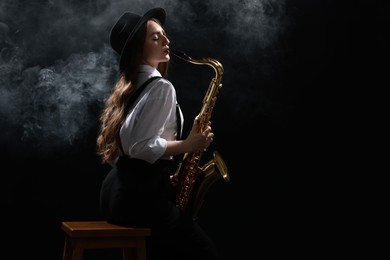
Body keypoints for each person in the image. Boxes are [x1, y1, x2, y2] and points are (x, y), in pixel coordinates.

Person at [96, 7, 218, 260]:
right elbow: (140, 147)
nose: (167, 41)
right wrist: (189, 144)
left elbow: (121, 151)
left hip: (115, 195)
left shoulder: (130, 86)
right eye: (156, 37)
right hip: (139, 200)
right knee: (204, 252)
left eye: (164, 35)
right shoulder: (161, 87)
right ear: (138, 49)